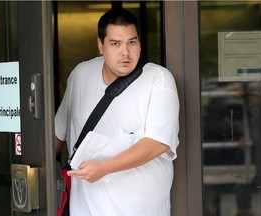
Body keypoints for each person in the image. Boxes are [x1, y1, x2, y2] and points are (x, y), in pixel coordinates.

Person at [55, 8, 179, 216]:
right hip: (84, 210)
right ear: (100, 46)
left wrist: (104, 168)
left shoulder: (158, 79)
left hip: (140, 210)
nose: (125, 52)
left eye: (132, 42)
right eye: (115, 44)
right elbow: (58, 133)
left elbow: (158, 142)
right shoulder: (80, 75)